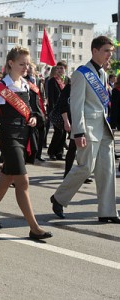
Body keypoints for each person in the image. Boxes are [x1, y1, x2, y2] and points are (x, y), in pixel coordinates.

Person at [0, 46, 52, 240]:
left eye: (27, 64)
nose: (25, 68)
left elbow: (35, 112)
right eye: (22, 64)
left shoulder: (27, 85)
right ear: (11, 63)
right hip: (9, 136)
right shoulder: (1, 88)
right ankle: (34, 227)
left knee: (6, 178)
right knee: (23, 181)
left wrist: (34, 119)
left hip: (24, 135)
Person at [50, 36, 119, 223]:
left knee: (107, 171)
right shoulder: (81, 73)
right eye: (106, 51)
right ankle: (59, 198)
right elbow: (77, 105)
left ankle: (107, 211)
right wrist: (78, 132)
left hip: (103, 128)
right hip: (87, 128)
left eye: (111, 52)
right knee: (85, 167)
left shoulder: (103, 74)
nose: (109, 55)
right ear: (94, 51)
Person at [47, 61, 69, 161]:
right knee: (58, 132)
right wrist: (50, 111)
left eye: (62, 68)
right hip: (56, 110)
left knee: (64, 132)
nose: (60, 70)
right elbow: (51, 97)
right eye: (58, 68)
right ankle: (52, 152)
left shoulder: (68, 80)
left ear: (65, 69)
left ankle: (59, 152)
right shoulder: (53, 81)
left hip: (65, 109)